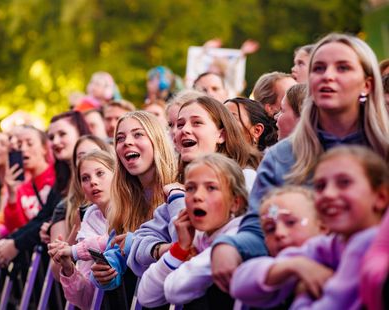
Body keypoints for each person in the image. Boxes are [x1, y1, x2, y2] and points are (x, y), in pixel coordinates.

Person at [211, 33, 389, 294]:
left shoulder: (383, 150)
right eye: (319, 68)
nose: (328, 76)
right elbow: (259, 227)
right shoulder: (281, 156)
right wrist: (229, 246)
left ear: (367, 85)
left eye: (343, 67)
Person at [231, 146, 388, 309]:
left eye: (344, 183)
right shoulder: (330, 246)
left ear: (381, 197)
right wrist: (296, 265)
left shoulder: (366, 242)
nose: (328, 193)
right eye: (320, 186)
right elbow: (240, 284)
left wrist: (303, 296)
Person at [128, 95, 261, 279]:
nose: (184, 130)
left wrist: (177, 200)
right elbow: (138, 243)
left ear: (221, 135)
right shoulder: (181, 187)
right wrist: (166, 249)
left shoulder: (245, 180)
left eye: (197, 123)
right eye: (179, 125)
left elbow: (197, 244)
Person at [138, 154, 247, 308]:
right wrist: (180, 248)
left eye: (211, 188)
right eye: (190, 188)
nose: (197, 196)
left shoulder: (238, 235)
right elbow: (146, 296)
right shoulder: (197, 236)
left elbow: (174, 291)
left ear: (235, 202)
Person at [90, 111, 177, 298]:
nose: (127, 142)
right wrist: (106, 272)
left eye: (138, 134)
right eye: (120, 138)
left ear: (157, 141)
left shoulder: (179, 187)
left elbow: (183, 247)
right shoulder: (124, 201)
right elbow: (117, 251)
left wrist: (134, 245)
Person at [0, 111, 91, 267]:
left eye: (62, 134)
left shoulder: (89, 174)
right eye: (51, 137)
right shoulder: (62, 180)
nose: (56, 141)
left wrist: (16, 243)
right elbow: (40, 218)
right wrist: (12, 241)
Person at [47, 150, 115, 309]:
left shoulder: (132, 210)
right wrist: (68, 268)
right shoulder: (89, 222)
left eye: (100, 173)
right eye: (85, 178)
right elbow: (86, 300)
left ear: (117, 175)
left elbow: (116, 241)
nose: (93, 182)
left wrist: (74, 250)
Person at [0, 126, 56, 249]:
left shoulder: (57, 178)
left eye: (29, 143)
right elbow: (15, 229)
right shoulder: (19, 185)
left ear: (45, 148)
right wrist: (12, 194)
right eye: (19, 145)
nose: (23, 149)